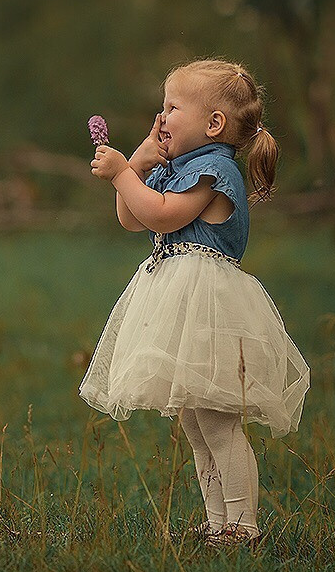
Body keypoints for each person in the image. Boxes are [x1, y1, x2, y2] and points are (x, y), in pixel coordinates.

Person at [81, 58, 310, 547]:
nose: (161, 118)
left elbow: (161, 216)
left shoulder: (213, 171)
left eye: (172, 107)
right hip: (181, 302)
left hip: (209, 308)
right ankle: (216, 521)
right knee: (194, 421)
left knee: (218, 422)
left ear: (213, 124)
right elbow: (133, 220)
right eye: (161, 107)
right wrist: (138, 166)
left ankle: (243, 526)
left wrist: (124, 172)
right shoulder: (180, 168)